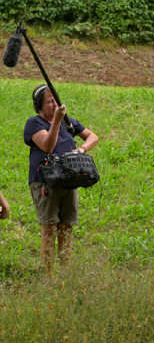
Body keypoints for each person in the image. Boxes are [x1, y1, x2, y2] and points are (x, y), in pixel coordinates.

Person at [24, 85, 99, 277]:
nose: (55, 104)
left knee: (66, 229)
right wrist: (56, 120)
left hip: (68, 181)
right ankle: (49, 279)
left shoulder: (68, 122)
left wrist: (81, 149)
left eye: (55, 100)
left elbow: (93, 136)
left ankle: (65, 276)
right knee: (49, 229)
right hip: (45, 182)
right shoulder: (34, 123)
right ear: (38, 106)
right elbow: (48, 146)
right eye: (50, 101)